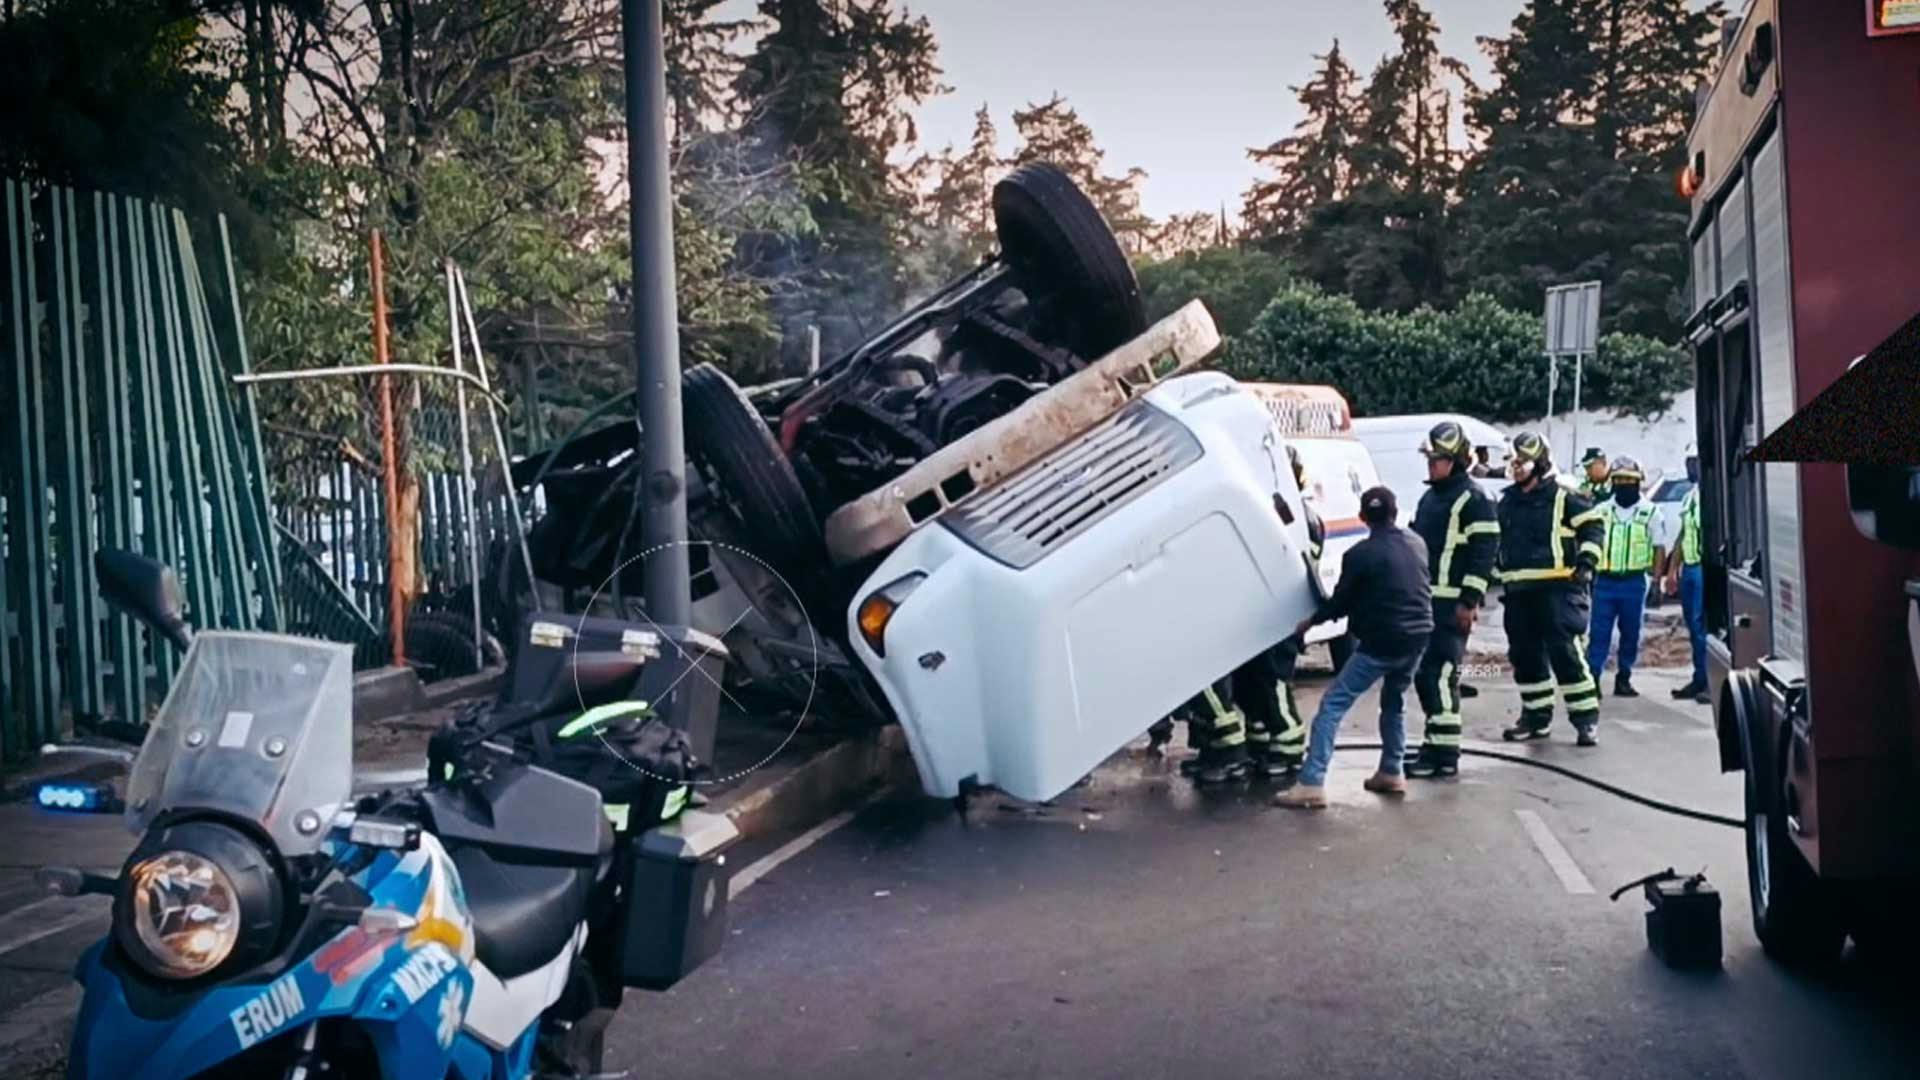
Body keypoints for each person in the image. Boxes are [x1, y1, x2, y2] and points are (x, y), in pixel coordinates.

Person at [1275, 487, 1433, 809]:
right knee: (1394, 701)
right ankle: (1392, 771)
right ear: (1395, 512)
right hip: (1418, 637)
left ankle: (1311, 783)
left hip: (1381, 641)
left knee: (1332, 706)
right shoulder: (1417, 543)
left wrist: (1311, 622)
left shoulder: (1359, 555)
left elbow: (1341, 603)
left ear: (1362, 517)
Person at [1497, 431, 1607, 746]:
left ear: (1541, 463)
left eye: (1523, 462)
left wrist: (1586, 562)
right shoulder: (1507, 502)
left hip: (1559, 588)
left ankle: (1586, 720)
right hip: (1518, 592)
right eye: (1513, 462)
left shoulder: (1564, 497)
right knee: (1525, 656)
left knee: (1566, 654)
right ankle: (1535, 718)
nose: (1516, 468)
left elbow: (1593, 528)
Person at [1406, 422, 1499, 779]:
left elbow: (1484, 552)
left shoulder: (1473, 499)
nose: (1431, 465)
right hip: (1427, 602)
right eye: (1429, 459)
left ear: (1457, 460)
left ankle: (1445, 755)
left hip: (1451, 605)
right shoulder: (1431, 498)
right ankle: (1434, 745)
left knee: (1441, 676)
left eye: (1438, 459)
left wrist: (1469, 600)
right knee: (1426, 677)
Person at [1584, 455, 1670, 699]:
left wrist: (1657, 582)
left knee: (1631, 633)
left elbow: (1659, 548)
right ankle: (1593, 678)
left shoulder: (1651, 513)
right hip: (1605, 582)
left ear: (1638, 483)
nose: (1623, 485)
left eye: (1629, 481)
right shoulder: (1601, 512)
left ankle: (1624, 678)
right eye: (1619, 480)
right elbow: (1588, 542)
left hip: (1634, 582)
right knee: (1599, 633)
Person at [1662, 456, 1710, 705]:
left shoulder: (1711, 497)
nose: (1690, 468)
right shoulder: (1689, 497)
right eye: (1688, 463)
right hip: (1689, 569)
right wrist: (1672, 571)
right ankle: (1699, 678)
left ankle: (1709, 681)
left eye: (1694, 463)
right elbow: (1682, 535)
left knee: (1701, 626)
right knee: (1692, 626)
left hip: (1703, 567)